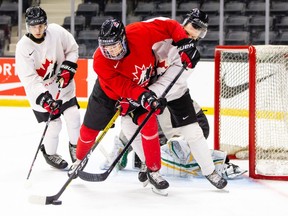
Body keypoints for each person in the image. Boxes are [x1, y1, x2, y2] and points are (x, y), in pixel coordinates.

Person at [69, 16, 196, 194]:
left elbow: (169, 26)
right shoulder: (100, 60)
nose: (111, 52)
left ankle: (153, 171)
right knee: (90, 129)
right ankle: (79, 159)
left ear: (123, 39)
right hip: (108, 95)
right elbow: (123, 87)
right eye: (107, 47)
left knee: (149, 125)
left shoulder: (139, 32)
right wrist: (144, 96)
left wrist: (184, 43)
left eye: (115, 46)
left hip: (141, 88)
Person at [105, 9, 228, 190]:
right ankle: (148, 163)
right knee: (135, 127)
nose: (191, 38)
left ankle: (210, 171)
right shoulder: (160, 30)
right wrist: (136, 95)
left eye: (196, 36)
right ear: (183, 24)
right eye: (188, 31)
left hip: (174, 93)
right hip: (146, 89)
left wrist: (149, 96)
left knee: (193, 132)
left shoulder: (190, 55)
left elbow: (172, 82)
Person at [102, 100, 247, 180]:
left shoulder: (157, 95)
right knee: (159, 150)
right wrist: (120, 149)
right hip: (167, 128)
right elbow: (133, 125)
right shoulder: (140, 95)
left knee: (175, 155)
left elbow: (176, 139)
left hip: (193, 123)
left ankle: (219, 164)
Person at [15, 6, 81, 170]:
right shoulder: (23, 47)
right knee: (54, 124)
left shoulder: (57, 32)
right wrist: (44, 97)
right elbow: (29, 78)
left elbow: (73, 49)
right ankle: (50, 153)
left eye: (41, 25)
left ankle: (76, 148)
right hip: (39, 90)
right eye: (33, 26)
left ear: (46, 24)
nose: (38, 30)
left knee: (73, 115)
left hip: (61, 83)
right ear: (27, 26)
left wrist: (68, 67)